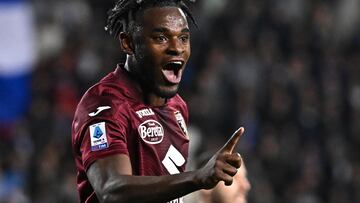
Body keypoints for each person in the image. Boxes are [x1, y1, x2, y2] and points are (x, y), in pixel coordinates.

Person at [71, 0, 245, 202]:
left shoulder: (177, 107)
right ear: (128, 43)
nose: (176, 48)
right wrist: (197, 177)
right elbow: (111, 190)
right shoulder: (105, 105)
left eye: (183, 38)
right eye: (161, 38)